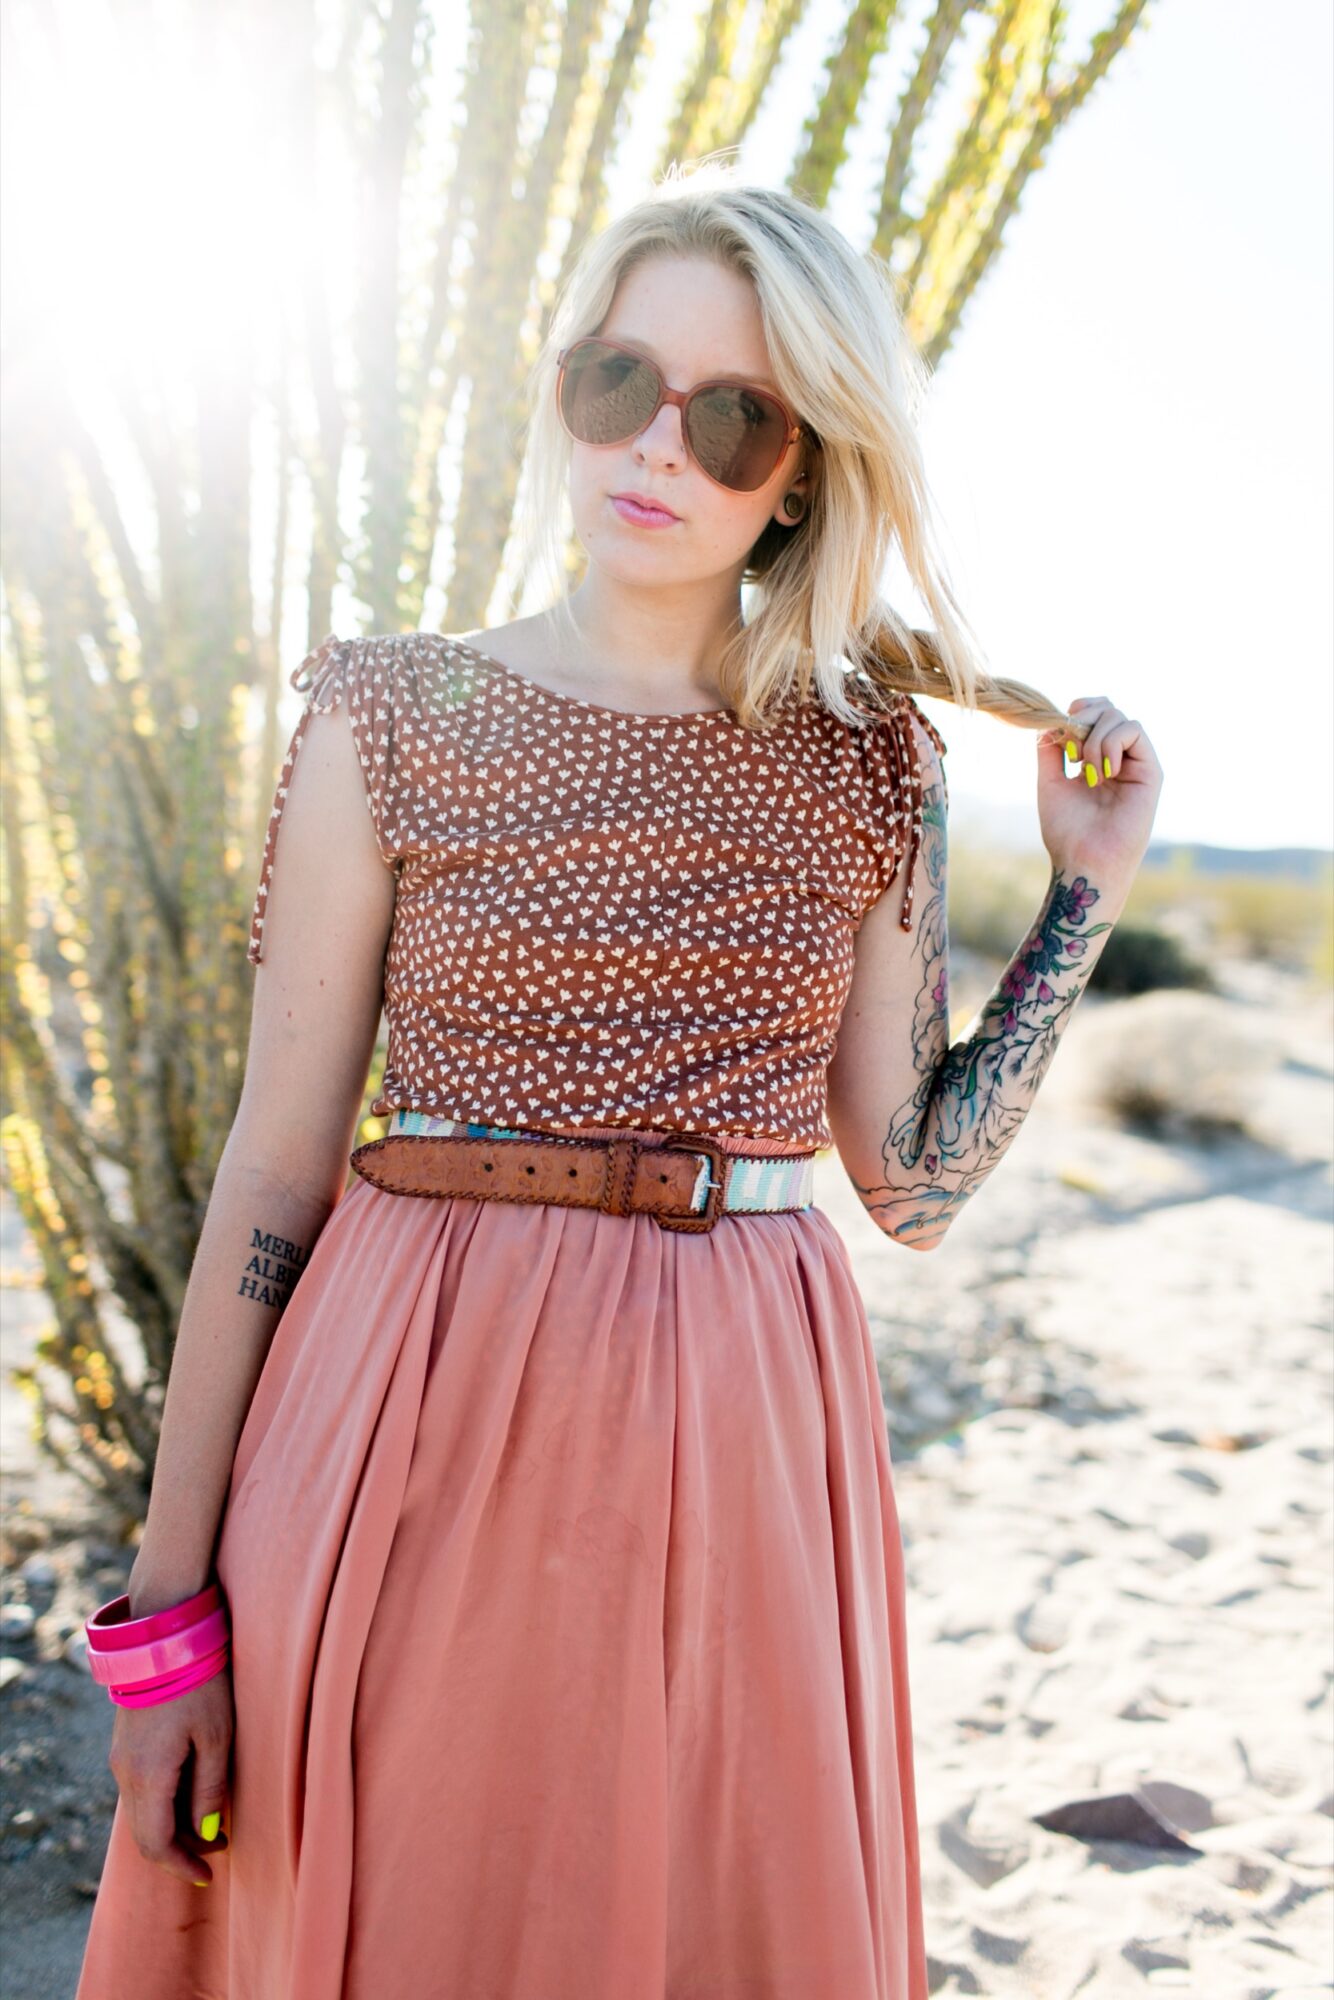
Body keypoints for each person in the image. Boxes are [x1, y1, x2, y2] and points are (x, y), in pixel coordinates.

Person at [74, 163, 1162, 2000]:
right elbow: (272, 1173)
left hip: (742, 1435)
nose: (656, 447)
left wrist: (1082, 902)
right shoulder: (389, 712)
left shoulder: (865, 763)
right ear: (561, 389)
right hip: (403, 1407)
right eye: (615, 383)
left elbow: (908, 1182)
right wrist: (167, 1618)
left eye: (732, 416)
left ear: (805, 464)